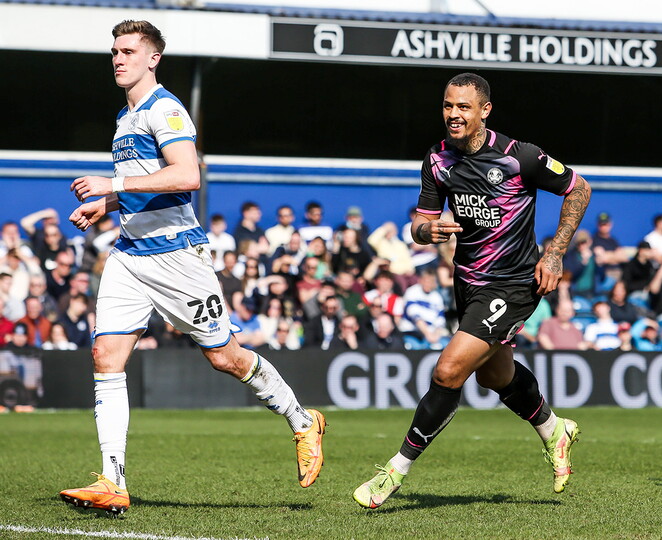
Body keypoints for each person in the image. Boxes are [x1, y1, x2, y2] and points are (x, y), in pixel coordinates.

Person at [58, 20, 326, 516]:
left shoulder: (166, 109)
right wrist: (110, 203)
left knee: (225, 358)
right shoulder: (125, 116)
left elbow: (187, 174)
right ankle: (112, 480)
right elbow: (153, 185)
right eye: (114, 51)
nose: (118, 59)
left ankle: (301, 418)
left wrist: (110, 183)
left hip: (178, 256)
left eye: (129, 51)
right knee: (105, 357)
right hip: (130, 254)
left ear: (153, 58)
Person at [353, 72, 591, 509]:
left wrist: (555, 252)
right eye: (448, 105)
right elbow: (419, 223)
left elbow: (579, 188)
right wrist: (429, 231)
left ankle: (394, 471)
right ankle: (555, 430)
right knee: (494, 376)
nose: (453, 115)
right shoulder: (438, 159)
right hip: (467, 283)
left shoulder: (521, 156)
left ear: (485, 111)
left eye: (463, 107)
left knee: (447, 372)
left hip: (515, 282)